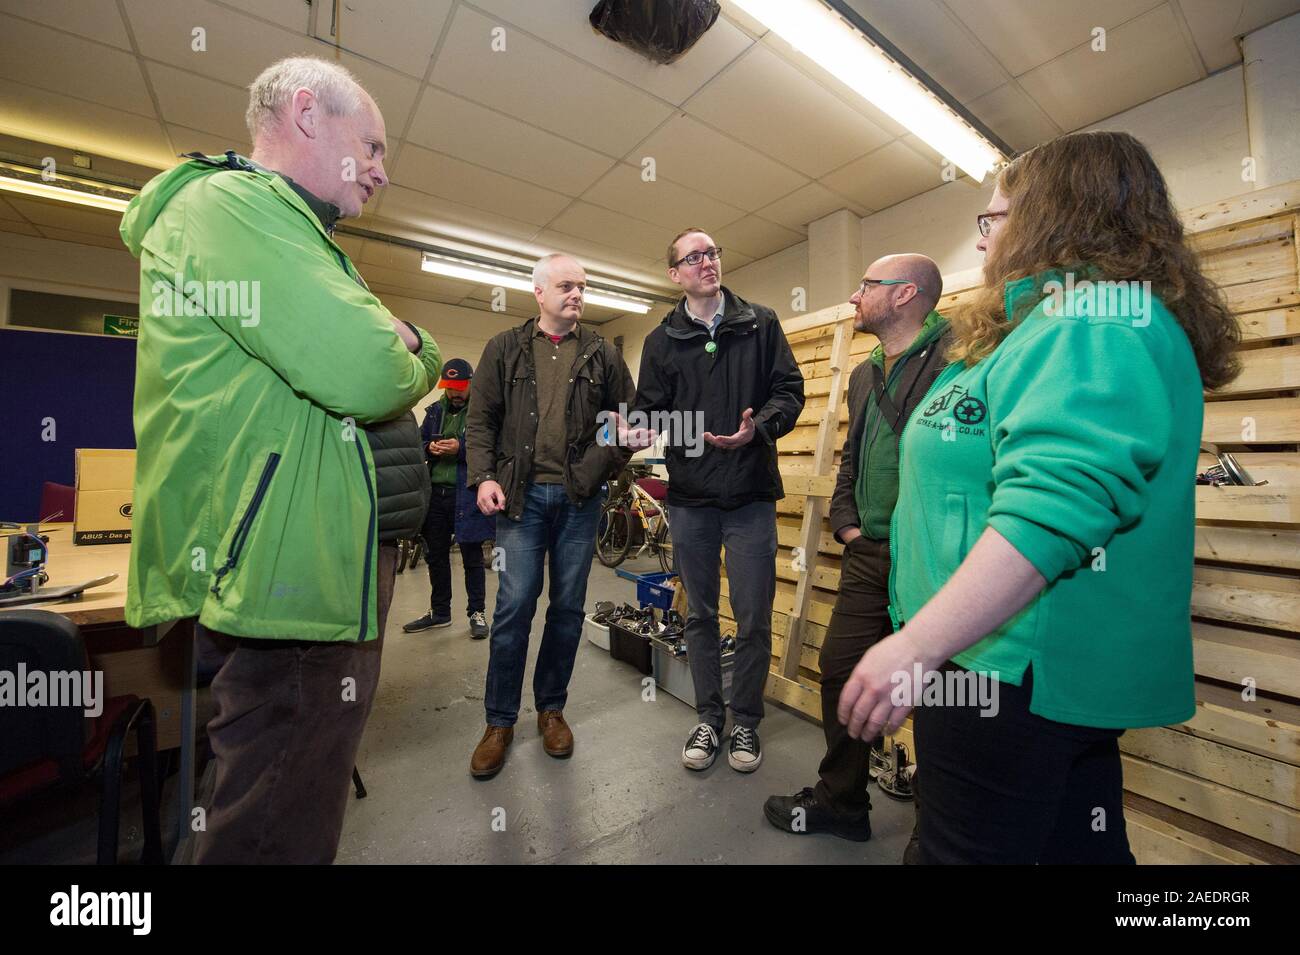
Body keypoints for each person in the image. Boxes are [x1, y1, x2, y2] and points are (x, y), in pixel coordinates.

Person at [837, 130, 1241, 863]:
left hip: (1006, 668)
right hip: (1020, 668)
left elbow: (1052, 507)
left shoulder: (1090, 320)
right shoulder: (1043, 327)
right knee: (1076, 847)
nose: (985, 240)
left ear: (1054, 215)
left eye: (994, 220)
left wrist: (917, 644)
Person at [120, 56, 442, 863]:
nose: (382, 171)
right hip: (286, 578)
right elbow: (370, 369)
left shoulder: (296, 233)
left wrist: (398, 339)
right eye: (370, 147)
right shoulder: (235, 207)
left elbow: (363, 354)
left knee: (273, 791)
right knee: (274, 825)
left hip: (304, 569)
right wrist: (420, 347)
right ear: (306, 114)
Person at [764, 254, 948, 841]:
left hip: (936, 558)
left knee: (942, 693)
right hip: (870, 555)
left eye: (866, 285)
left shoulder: (960, 361)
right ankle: (843, 801)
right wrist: (848, 524)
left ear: (904, 294)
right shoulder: (866, 373)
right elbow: (854, 455)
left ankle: (943, 824)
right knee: (842, 672)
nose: (853, 296)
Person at [633, 228, 804, 774]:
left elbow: (790, 390)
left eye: (713, 253)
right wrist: (636, 430)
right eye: (694, 256)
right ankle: (710, 717)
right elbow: (653, 413)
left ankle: (746, 723)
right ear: (675, 273)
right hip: (691, 499)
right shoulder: (661, 341)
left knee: (753, 617)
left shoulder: (761, 323)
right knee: (700, 614)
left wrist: (759, 430)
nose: (707, 262)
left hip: (751, 494)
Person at [464, 253, 636, 779]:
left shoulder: (603, 353)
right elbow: (480, 420)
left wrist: (603, 458)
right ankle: (499, 721)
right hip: (520, 500)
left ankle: (551, 709)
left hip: (579, 500)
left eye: (583, 286)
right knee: (514, 607)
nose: (577, 295)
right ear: (539, 292)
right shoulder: (505, 349)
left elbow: (627, 421)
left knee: (567, 608)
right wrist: (484, 476)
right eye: (567, 286)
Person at [404, 358, 492, 639]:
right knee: (436, 557)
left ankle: (476, 613)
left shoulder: (483, 412)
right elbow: (416, 446)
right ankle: (440, 612)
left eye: (460, 387)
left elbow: (491, 448)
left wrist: (460, 448)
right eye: (450, 387)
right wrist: (429, 447)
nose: (454, 393)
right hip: (436, 495)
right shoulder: (433, 412)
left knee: (472, 557)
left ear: (471, 383)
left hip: (466, 494)